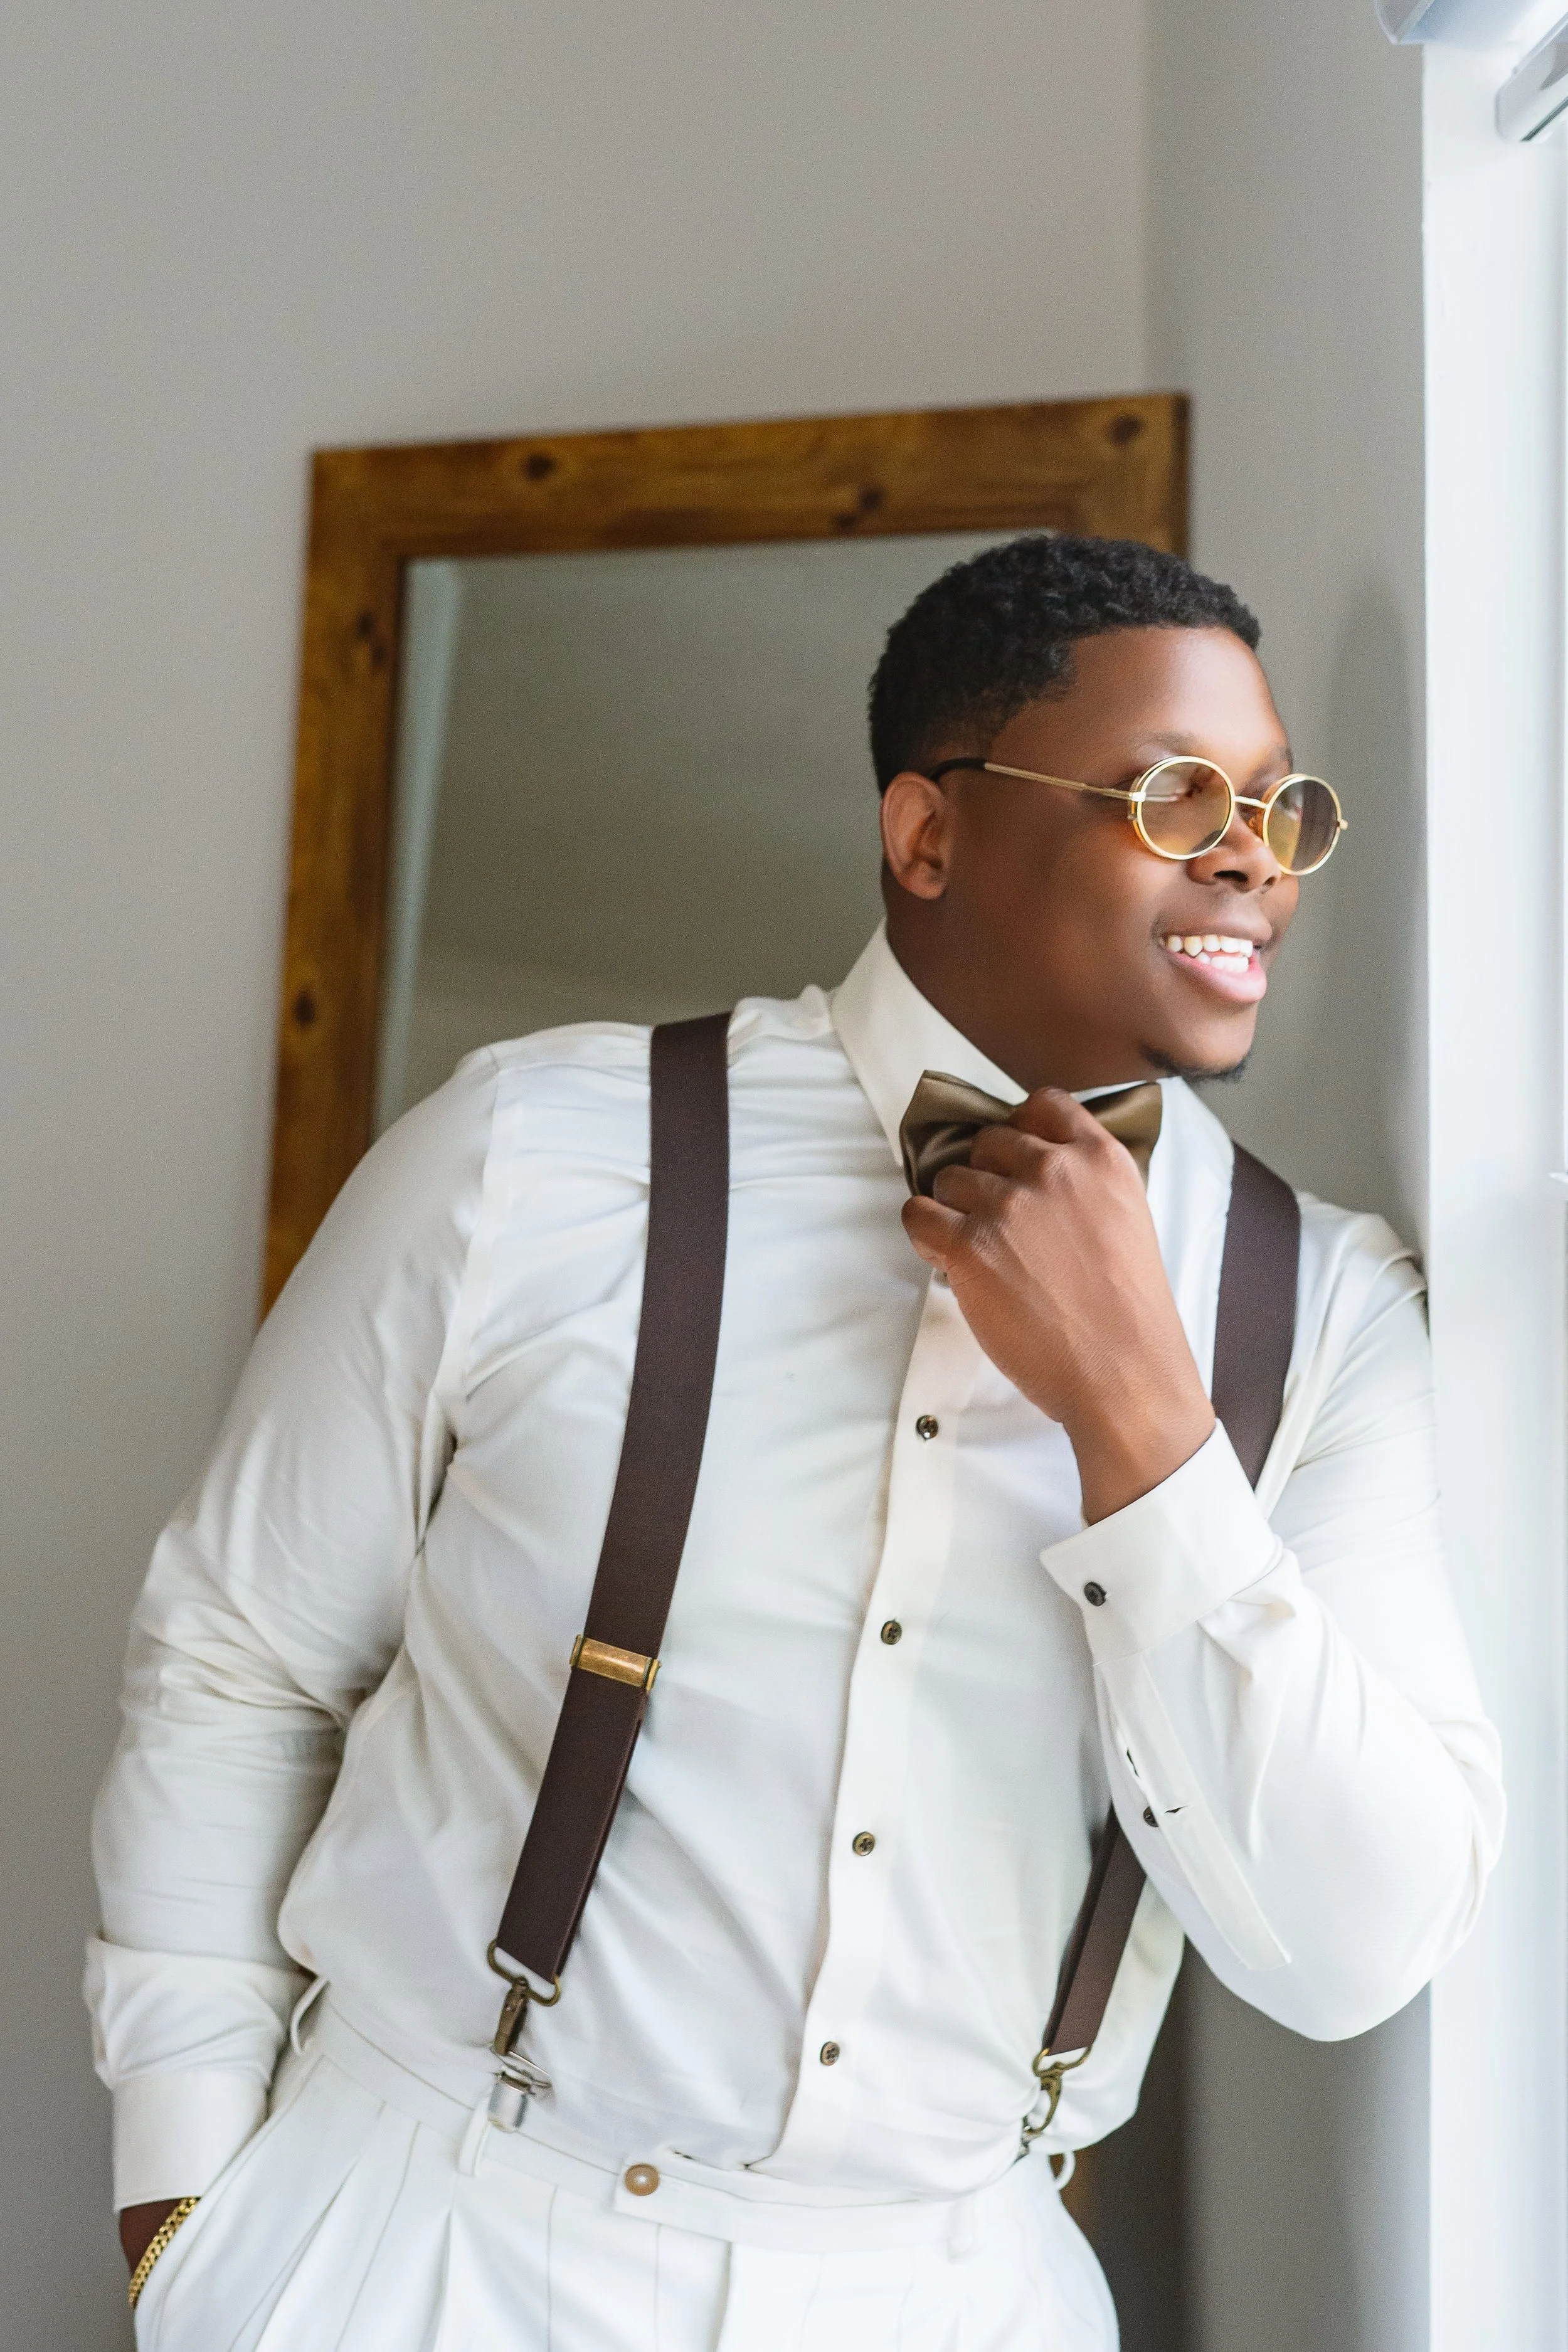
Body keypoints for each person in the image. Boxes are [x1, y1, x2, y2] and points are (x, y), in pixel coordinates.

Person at [89, 534, 1502, 2351]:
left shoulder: (1327, 1318)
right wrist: (187, 2205)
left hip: (951, 2288)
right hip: (431, 2246)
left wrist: (1141, 1422)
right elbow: (237, 1651)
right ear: (928, 835)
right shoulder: (529, 1150)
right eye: (1172, 792)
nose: (1249, 850)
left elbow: (1357, 1943)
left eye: (1278, 805)